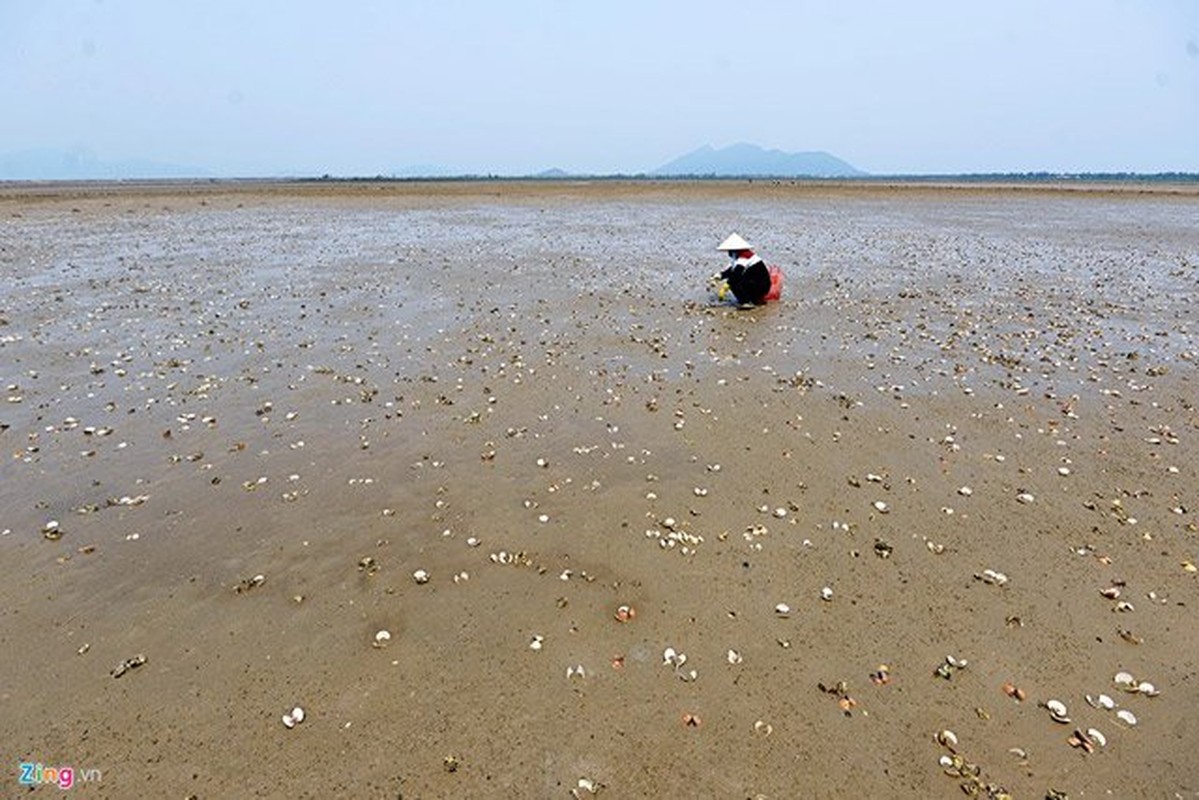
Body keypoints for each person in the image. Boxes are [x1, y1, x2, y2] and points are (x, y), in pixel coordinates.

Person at [716, 233, 772, 305]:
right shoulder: (740, 257)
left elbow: (736, 274)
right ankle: (753, 299)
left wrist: (726, 286)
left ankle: (745, 302)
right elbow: (731, 270)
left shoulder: (745, 257)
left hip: (760, 286)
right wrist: (720, 276)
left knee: (734, 282)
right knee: (734, 279)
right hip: (758, 284)